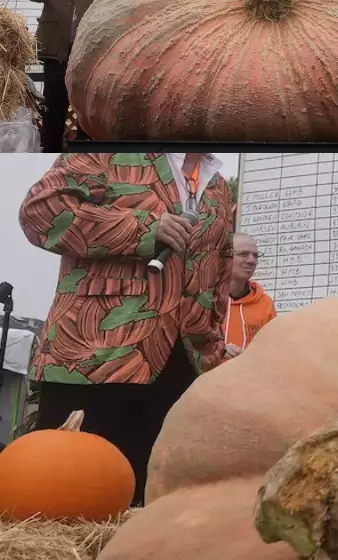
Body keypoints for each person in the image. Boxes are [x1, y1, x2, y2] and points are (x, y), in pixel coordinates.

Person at [19, 152, 237, 507]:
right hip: (95, 355)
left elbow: (221, 267)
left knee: (155, 504)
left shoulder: (219, 186)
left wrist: (213, 347)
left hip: (185, 366)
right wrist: (143, 229)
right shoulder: (107, 153)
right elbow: (40, 213)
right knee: (68, 498)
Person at [17, 0, 116, 152]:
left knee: (87, 108)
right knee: (54, 108)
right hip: (56, 56)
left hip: (90, 56)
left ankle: (84, 152)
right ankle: (49, 153)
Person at [224, 233, 278, 352]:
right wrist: (218, 351)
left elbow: (272, 349)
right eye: (243, 254)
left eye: (256, 256)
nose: (251, 260)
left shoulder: (265, 304)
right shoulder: (205, 298)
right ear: (225, 257)